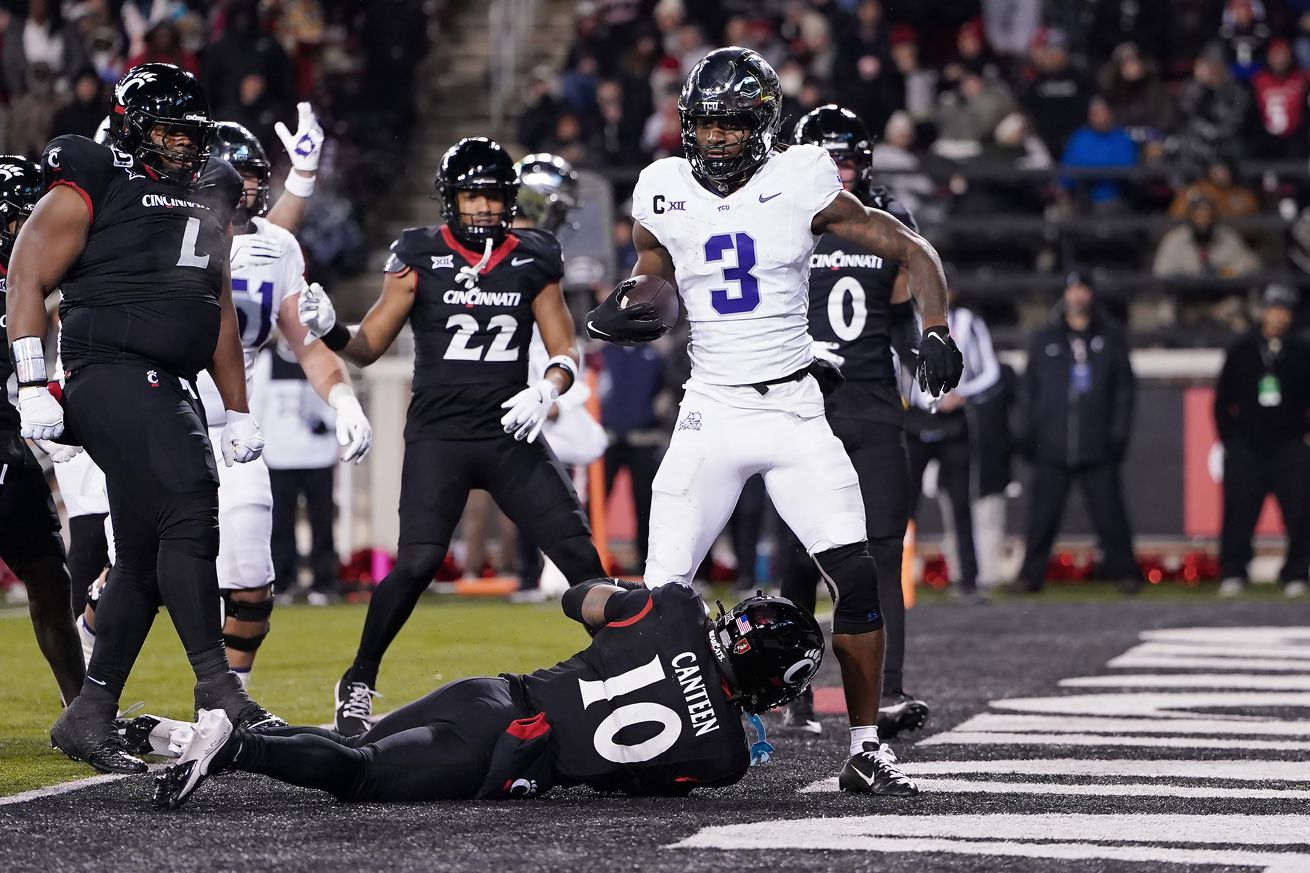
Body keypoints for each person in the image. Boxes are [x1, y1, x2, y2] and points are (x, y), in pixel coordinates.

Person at [583, 48, 962, 795]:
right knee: (662, 596)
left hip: (793, 406)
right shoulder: (660, 186)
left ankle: (865, 745)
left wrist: (938, 327)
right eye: (706, 126)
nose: (717, 140)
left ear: (764, 126)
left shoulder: (804, 178)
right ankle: (638, 735)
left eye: (731, 126)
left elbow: (911, 249)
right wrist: (633, 304)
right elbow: (656, 271)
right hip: (711, 408)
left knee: (856, 574)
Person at [5, 63, 279, 775]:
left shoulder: (213, 186)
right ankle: (221, 689)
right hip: (111, 372)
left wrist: (239, 410)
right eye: (165, 132)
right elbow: (26, 272)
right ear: (131, 128)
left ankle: (89, 712)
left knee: (143, 562)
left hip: (170, 380)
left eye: (189, 135)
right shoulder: (96, 172)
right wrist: (34, 379)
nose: (181, 148)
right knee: (191, 505)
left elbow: (212, 309)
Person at [297, 137, 607, 736]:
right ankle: (358, 678)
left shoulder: (533, 255)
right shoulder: (419, 254)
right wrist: (333, 329)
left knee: (579, 555)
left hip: (508, 430)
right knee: (417, 560)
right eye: (472, 196)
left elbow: (564, 346)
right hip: (439, 434)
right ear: (450, 199)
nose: (483, 209)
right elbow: (367, 348)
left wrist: (547, 387)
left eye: (493, 196)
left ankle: (631, 670)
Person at [150, 584, 838, 808]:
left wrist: (637, 618)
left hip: (495, 692)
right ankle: (232, 745)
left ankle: (195, 737)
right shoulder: (725, 758)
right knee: (359, 775)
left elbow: (579, 598)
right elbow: (632, 786)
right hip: (511, 749)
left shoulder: (679, 607)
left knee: (358, 748)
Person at [778, 105, 926, 742]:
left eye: (847, 159)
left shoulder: (887, 223)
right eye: (827, 159)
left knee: (884, 549)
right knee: (803, 552)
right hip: (805, 403)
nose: (839, 171)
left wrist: (921, 348)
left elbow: (895, 316)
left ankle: (887, 690)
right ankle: (787, 689)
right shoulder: (783, 218)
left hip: (869, 401)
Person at [0, 155, 85, 705]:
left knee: (50, 574)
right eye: (20, 222)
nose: (31, 231)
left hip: (10, 437)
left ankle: (82, 708)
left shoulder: (41, 272)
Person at [1016, 272, 1142, 595]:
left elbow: (1124, 393)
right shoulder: (1045, 339)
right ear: (1065, 295)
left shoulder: (1111, 338)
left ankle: (1126, 573)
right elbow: (1029, 390)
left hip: (1097, 444)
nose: (1078, 296)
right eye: (1072, 289)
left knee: (1111, 517)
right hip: (1052, 445)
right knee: (1041, 518)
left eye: (1083, 289)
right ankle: (1030, 576)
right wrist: (1029, 433)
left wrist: (1117, 436)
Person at [1213, 285, 1310, 598]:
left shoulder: (1301, 350)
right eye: (1273, 309)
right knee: (1238, 512)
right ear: (1263, 311)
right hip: (1247, 445)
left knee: (1299, 512)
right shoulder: (1241, 348)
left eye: (1284, 310)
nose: (1278, 316)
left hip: (1290, 443)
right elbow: (1222, 400)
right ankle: (1234, 571)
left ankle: (1296, 572)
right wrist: (1230, 439)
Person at [904, 299, 1001, 601]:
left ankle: (968, 580)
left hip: (953, 421)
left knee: (961, 504)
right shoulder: (905, 319)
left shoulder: (967, 321)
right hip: (916, 421)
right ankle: (894, 579)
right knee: (903, 507)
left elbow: (990, 370)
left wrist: (962, 394)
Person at [253, 343, 342, 605]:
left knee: (323, 523)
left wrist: (328, 424)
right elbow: (256, 405)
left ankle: (324, 583)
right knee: (280, 523)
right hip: (279, 456)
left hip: (319, 456)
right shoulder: (268, 359)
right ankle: (282, 582)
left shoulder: (325, 353)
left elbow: (340, 397)